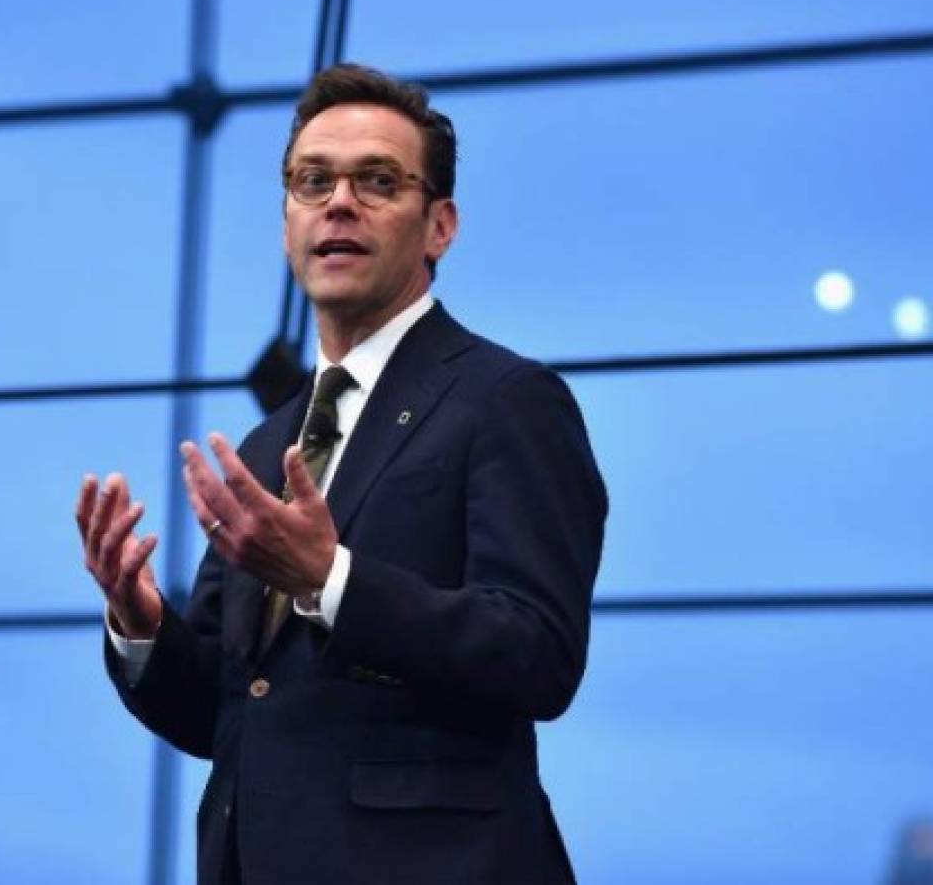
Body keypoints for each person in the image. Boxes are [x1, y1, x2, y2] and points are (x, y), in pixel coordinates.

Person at [76, 63, 607, 885]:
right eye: (312, 181)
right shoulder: (267, 446)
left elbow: (536, 653)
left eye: (378, 181)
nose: (339, 203)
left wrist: (334, 580)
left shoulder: (507, 401)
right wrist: (139, 621)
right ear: (287, 219)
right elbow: (230, 711)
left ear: (440, 226)